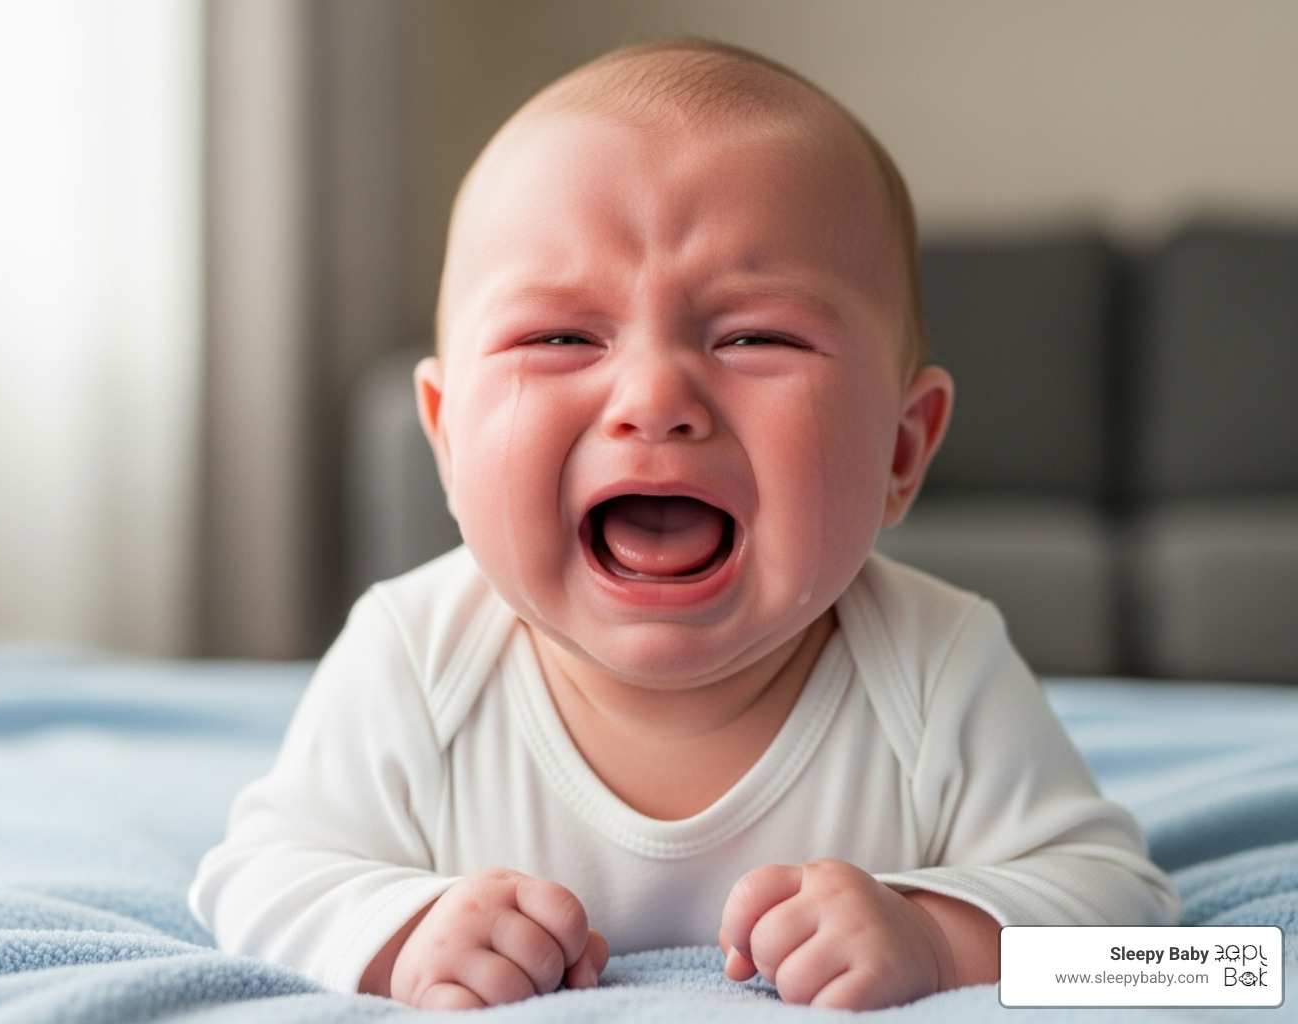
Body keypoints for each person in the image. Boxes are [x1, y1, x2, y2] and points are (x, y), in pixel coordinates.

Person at [189, 39, 1178, 1011]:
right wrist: (404, 937)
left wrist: (935, 935)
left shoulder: (937, 667)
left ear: (901, 451)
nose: (656, 397)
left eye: (756, 336)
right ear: (447, 440)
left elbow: (1136, 928)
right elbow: (257, 880)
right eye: (561, 336)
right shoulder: (414, 656)